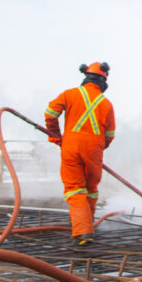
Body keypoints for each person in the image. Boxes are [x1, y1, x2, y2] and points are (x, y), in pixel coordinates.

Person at [45, 62, 115, 248]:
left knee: (75, 189)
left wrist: (56, 136)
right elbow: (110, 135)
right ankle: (88, 227)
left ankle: (83, 232)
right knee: (90, 190)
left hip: (71, 146)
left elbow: (51, 113)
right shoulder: (106, 103)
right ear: (103, 80)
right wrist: (98, 148)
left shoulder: (70, 94)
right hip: (94, 151)